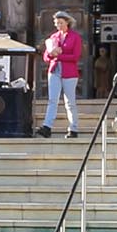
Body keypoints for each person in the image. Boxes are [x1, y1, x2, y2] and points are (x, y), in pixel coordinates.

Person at [38, 10, 82, 139]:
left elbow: (75, 56)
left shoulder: (75, 37)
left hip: (69, 72)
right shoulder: (53, 37)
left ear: (67, 22)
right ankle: (47, 127)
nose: (58, 26)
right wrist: (51, 54)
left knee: (70, 101)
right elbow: (46, 57)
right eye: (56, 23)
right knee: (52, 100)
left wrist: (60, 55)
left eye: (61, 23)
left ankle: (73, 129)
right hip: (55, 71)